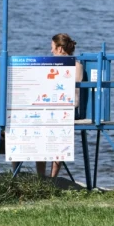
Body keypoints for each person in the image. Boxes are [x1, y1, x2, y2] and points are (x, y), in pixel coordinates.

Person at [41, 33, 81, 179]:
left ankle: (42, 177)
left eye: (52, 47)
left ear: (59, 48)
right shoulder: (77, 65)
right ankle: (52, 178)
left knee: (40, 135)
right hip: (69, 109)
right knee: (56, 142)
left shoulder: (49, 65)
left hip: (61, 109)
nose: (51, 51)